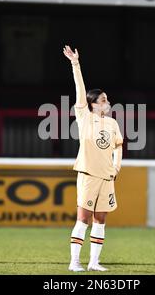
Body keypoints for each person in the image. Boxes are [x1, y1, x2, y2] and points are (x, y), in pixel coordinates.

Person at [63, 45, 123, 272]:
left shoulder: (112, 123)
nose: (107, 102)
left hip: (107, 177)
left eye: (107, 99)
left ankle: (94, 262)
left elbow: (118, 147)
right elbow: (80, 89)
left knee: (101, 220)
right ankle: (74, 262)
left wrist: (116, 167)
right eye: (104, 99)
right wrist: (75, 64)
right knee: (83, 219)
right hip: (88, 175)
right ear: (93, 103)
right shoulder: (85, 117)